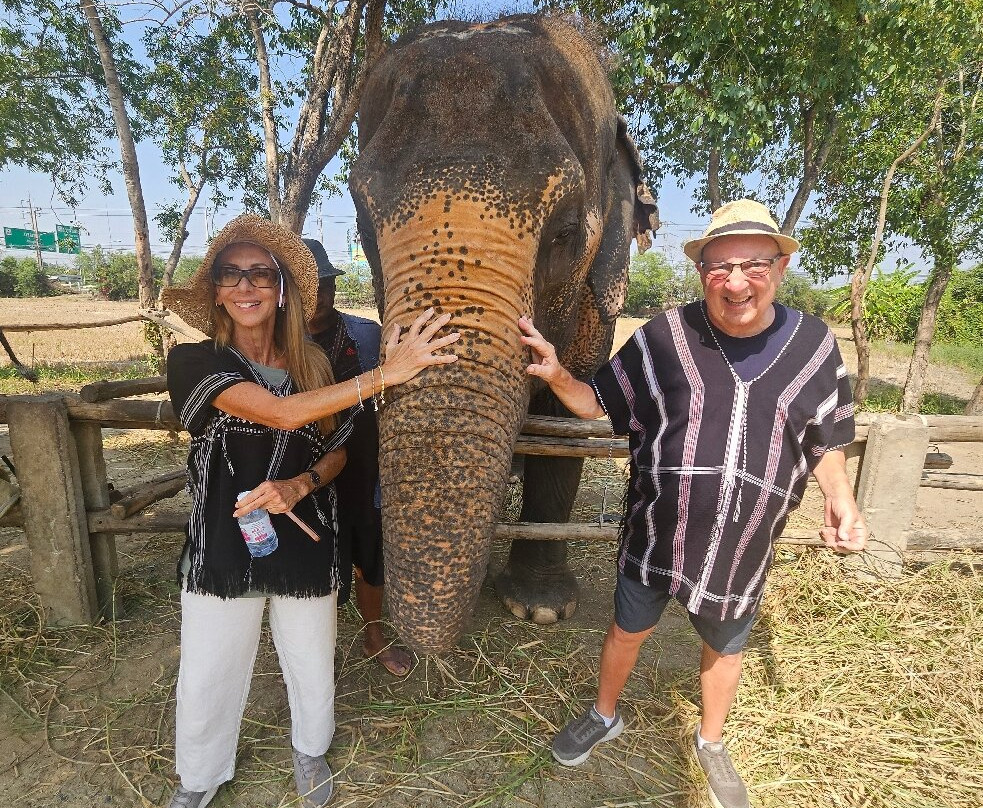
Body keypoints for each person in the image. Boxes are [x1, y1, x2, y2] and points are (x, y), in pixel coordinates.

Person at [519, 199, 867, 808]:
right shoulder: (663, 339)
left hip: (743, 543)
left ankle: (710, 742)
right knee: (628, 629)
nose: (736, 282)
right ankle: (604, 715)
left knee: (725, 647)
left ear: (781, 268)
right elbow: (602, 403)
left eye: (754, 265)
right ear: (702, 271)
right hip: (656, 532)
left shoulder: (813, 346)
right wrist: (555, 376)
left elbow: (826, 437)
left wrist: (840, 497)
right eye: (719, 267)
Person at [161, 214, 458, 808]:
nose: (246, 288)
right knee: (208, 670)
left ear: (281, 291)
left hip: (305, 540)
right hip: (224, 544)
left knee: (311, 659)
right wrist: (383, 375)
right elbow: (277, 415)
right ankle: (198, 779)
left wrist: (301, 483)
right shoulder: (196, 361)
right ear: (217, 291)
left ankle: (310, 750)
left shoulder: (315, 369)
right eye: (231, 275)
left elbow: (339, 452)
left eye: (260, 276)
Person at [304, 238, 413, 676]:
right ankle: (315, 649)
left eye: (325, 285)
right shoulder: (279, 344)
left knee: (371, 558)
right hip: (309, 473)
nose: (318, 296)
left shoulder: (366, 334)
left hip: (365, 468)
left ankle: (373, 636)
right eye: (307, 287)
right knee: (317, 563)